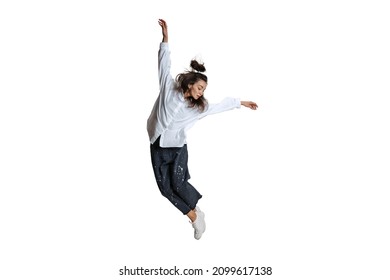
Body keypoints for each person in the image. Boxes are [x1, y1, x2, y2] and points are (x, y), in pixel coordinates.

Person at [147, 19, 258, 240]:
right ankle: (195, 216)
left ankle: (195, 210)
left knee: (178, 183)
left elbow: (218, 107)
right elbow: (164, 63)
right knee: (165, 189)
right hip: (157, 144)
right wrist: (165, 39)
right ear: (190, 84)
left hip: (178, 148)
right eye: (199, 87)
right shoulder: (168, 88)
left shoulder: (198, 108)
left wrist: (240, 102)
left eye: (203, 89)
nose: (201, 92)